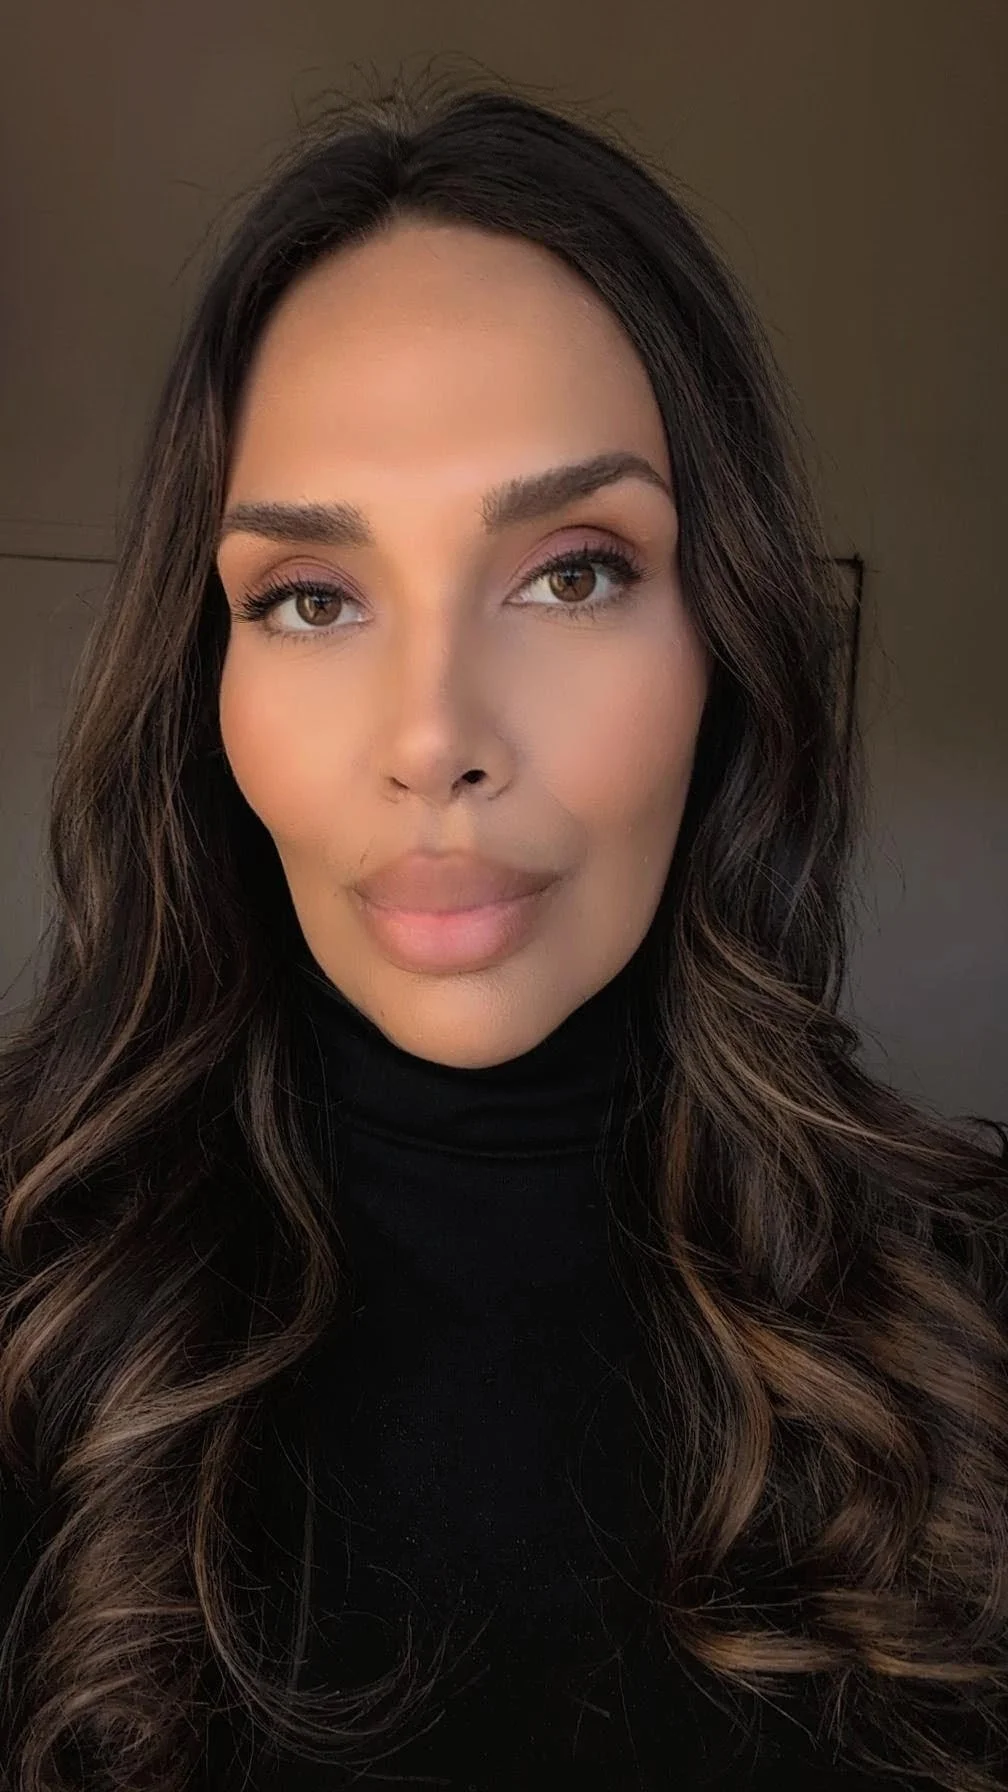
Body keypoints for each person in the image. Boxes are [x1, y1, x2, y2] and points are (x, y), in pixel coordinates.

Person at [0, 70, 1005, 1792]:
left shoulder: (972, 1329)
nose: (434, 733)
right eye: (311, 598)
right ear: (204, 685)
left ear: (730, 643)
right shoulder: (36, 1319)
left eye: (573, 570)